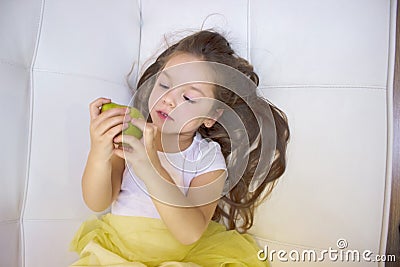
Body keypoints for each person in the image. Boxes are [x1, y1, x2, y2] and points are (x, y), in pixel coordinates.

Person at [70, 30, 290, 267]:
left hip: (182, 258)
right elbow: (97, 202)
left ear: (211, 116)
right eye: (164, 84)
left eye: (189, 98)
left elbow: (189, 233)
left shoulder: (207, 158)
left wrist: (150, 168)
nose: (169, 99)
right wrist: (99, 153)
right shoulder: (131, 134)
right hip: (117, 254)